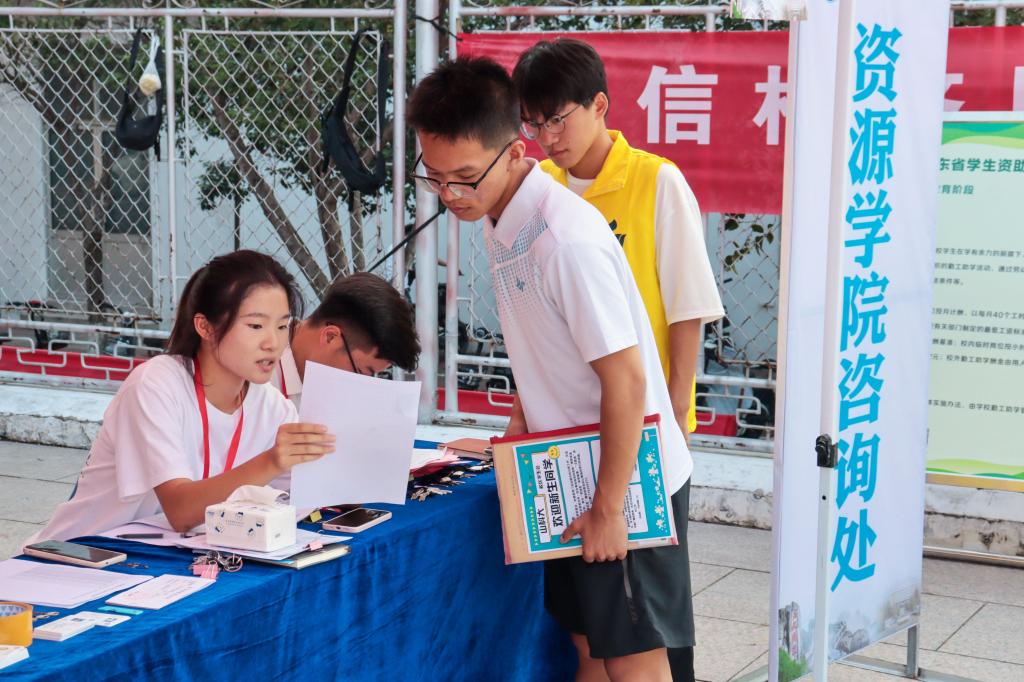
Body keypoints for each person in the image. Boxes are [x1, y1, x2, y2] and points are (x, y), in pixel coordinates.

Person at [409, 56, 693, 682]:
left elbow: (625, 380)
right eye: (435, 178)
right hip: (567, 465)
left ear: (515, 151)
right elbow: (540, 345)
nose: (451, 196)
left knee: (634, 660)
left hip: (626, 477)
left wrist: (609, 509)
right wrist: (517, 428)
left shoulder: (564, 241)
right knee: (586, 643)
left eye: (465, 178)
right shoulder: (500, 216)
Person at [28, 250, 335, 542]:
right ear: (205, 327)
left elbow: (306, 498)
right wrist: (272, 461)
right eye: (255, 325)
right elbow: (181, 511)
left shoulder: (274, 407)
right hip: (82, 555)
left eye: (282, 326)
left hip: (177, 561)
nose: (273, 342)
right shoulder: (156, 384)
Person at [512, 38, 724, 445]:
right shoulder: (539, 188)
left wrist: (676, 415)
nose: (547, 138)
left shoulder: (658, 181)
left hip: (642, 417)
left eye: (556, 119)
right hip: (558, 421)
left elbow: (687, 310)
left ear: (599, 105)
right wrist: (521, 414)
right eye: (533, 124)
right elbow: (536, 321)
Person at [270, 272, 420, 410]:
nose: (359, 387)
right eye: (360, 373)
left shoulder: (321, 388)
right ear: (330, 337)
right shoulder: (262, 372)